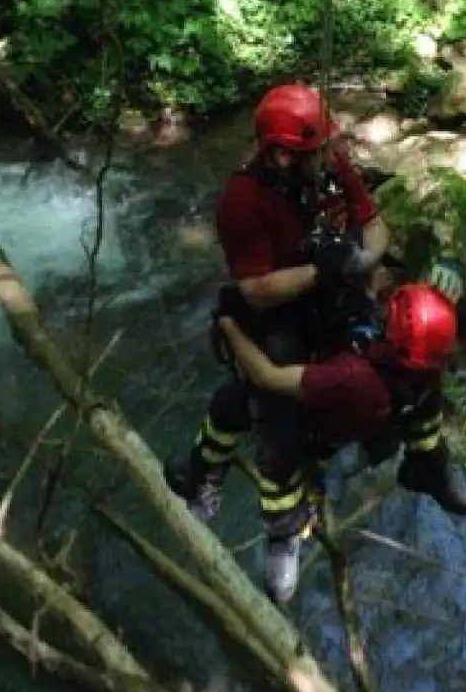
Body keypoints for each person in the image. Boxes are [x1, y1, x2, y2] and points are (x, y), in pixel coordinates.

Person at [167, 83, 390, 518]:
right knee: (272, 409)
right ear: (284, 156)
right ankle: (223, 484)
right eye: (321, 149)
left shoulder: (329, 168)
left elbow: (377, 227)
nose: (333, 155)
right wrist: (321, 270)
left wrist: (354, 260)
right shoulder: (243, 201)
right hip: (276, 310)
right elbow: (256, 289)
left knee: (373, 369)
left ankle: (324, 465)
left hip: (325, 298)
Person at [200, 280, 466, 602]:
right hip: (339, 429)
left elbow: (269, 376)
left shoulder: (382, 373)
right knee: (271, 443)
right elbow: (270, 377)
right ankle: (281, 533)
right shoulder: (376, 373)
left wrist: (228, 325)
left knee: (426, 416)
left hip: (355, 424)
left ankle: (430, 473)